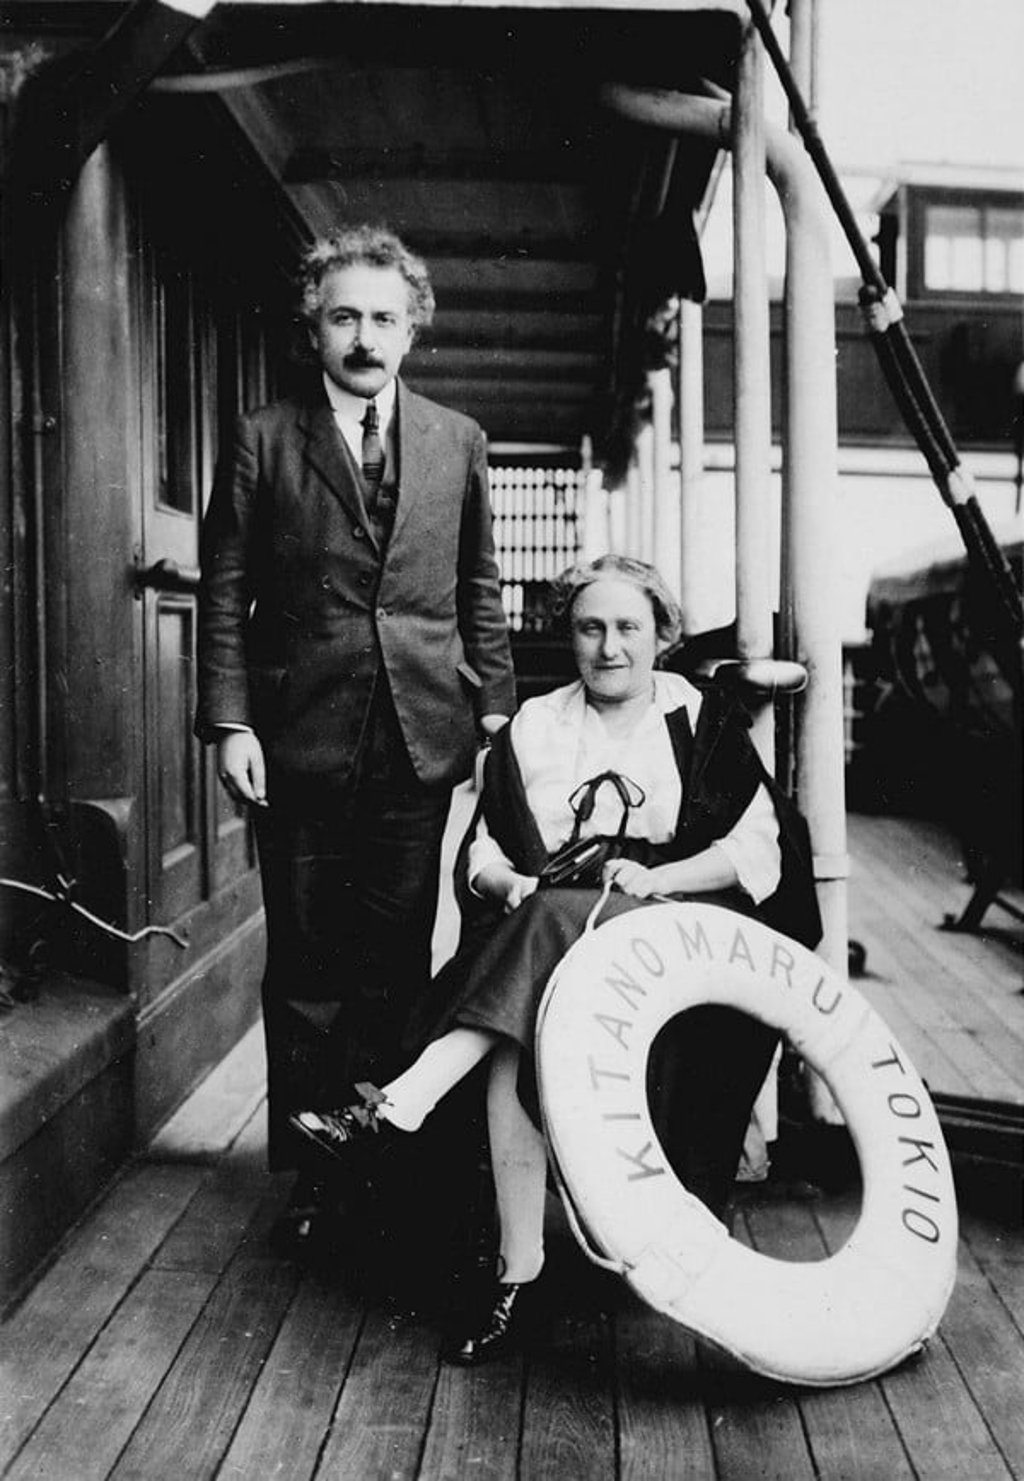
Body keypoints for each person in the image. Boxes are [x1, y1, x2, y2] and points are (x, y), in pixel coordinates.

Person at [289, 554, 821, 1359]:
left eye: (628, 628)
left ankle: (401, 1105)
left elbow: (757, 851)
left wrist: (657, 874)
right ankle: (517, 1268)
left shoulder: (696, 716)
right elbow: (482, 854)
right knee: (527, 1012)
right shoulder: (537, 724)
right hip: (556, 937)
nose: (610, 647)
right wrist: (507, 883)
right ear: (569, 635)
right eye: (591, 627)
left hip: (674, 929)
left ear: (661, 637)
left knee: (544, 929)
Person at [194, 224, 516, 1249]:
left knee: (393, 956)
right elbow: (226, 588)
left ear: (412, 326)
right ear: (314, 327)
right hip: (298, 736)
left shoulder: (457, 440)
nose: (364, 336)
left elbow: (476, 585)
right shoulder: (262, 437)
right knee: (306, 965)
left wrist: (496, 708)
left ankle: (385, 1150)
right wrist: (230, 719)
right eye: (345, 317)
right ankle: (316, 1176)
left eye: (383, 317)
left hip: (418, 736)